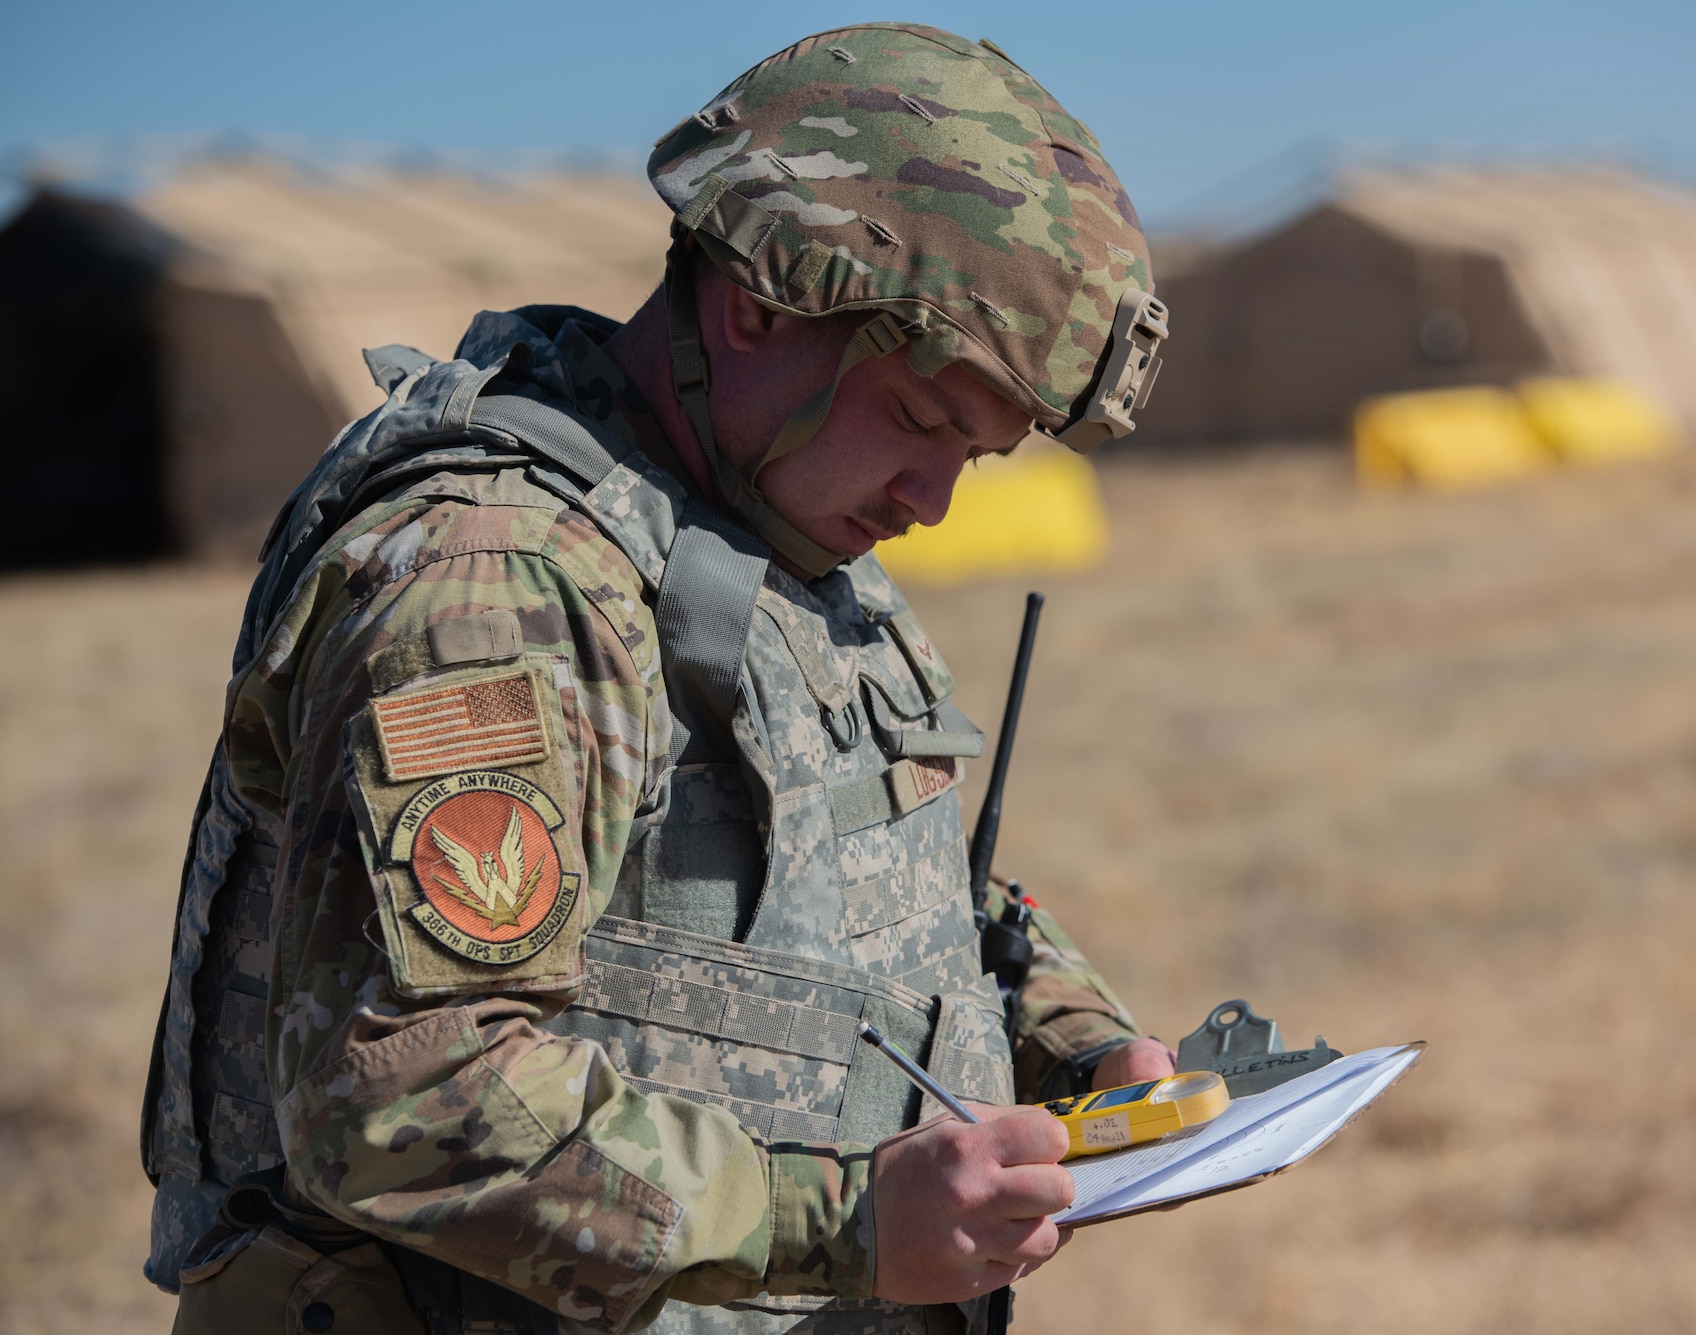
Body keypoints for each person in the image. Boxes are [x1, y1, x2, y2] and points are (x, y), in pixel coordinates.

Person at [140, 23, 1174, 1335]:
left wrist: (1075, 1042)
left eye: (980, 454)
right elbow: (409, 1100)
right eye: (921, 423)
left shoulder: (766, 530)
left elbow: (870, 906)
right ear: (761, 301)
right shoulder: (499, 582)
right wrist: (846, 1224)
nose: (933, 499)